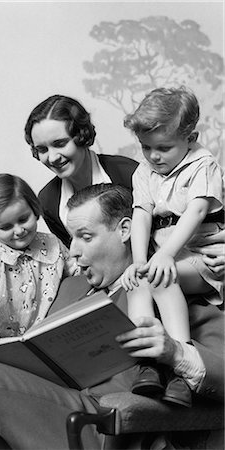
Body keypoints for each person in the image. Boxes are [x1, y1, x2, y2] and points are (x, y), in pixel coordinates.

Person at [0, 185, 223, 450]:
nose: (73, 250)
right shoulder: (70, 288)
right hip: (41, 411)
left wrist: (176, 352)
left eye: (85, 237)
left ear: (124, 231)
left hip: (102, 426)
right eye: (71, 238)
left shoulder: (172, 287)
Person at [120, 87, 224, 407]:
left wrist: (164, 254)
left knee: (164, 279)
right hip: (164, 257)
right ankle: (148, 363)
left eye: (163, 148)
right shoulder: (144, 172)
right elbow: (141, 214)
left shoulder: (202, 164)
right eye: (146, 147)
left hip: (200, 257)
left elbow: (196, 211)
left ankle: (180, 363)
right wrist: (139, 260)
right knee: (140, 280)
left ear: (190, 137)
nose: (154, 156)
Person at [0, 173, 78, 338]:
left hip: (50, 337)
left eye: (24, 219)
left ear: (34, 208)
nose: (18, 231)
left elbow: (78, 276)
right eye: (6, 227)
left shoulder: (52, 244)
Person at [24, 94, 139, 247]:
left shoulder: (130, 173)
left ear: (82, 135)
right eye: (42, 149)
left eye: (60, 144)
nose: (52, 158)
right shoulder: (48, 200)